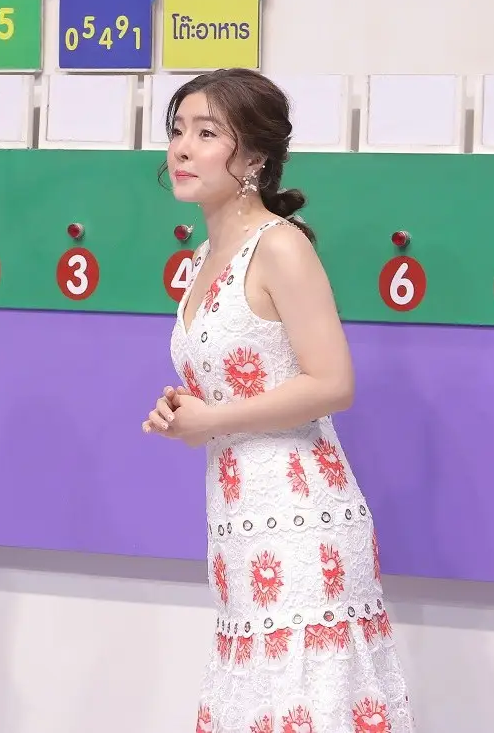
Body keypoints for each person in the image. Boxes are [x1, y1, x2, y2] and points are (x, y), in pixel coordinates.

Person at [143, 68, 416, 733]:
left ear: (255, 158)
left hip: (303, 522)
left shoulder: (281, 246)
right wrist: (183, 410)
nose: (182, 148)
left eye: (207, 133)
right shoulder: (202, 257)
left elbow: (332, 382)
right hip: (238, 518)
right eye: (178, 130)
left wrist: (213, 419)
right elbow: (248, 376)